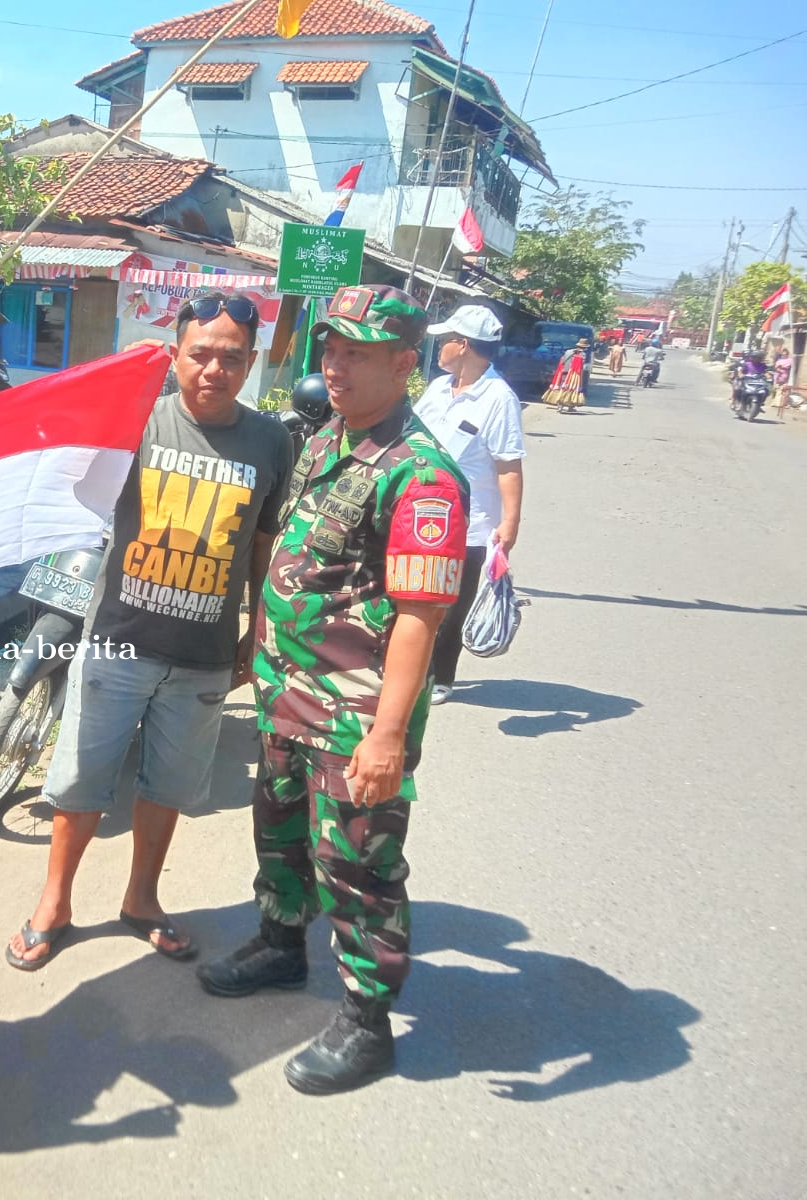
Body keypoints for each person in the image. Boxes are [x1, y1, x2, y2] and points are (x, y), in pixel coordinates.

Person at [195, 284, 469, 1095]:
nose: (336, 367)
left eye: (357, 353)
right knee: (280, 834)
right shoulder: (324, 441)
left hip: (353, 714)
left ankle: (368, 1021)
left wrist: (387, 737)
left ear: (403, 364)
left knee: (358, 866)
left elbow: (420, 617)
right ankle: (281, 945)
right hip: (288, 693)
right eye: (330, 350)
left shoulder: (423, 476)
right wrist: (260, 637)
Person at [4, 291, 292, 970]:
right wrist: (116, 377)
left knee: (168, 787)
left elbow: (261, 545)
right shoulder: (134, 421)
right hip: (116, 642)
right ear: (174, 356)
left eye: (230, 357)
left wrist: (258, 627)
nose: (214, 369)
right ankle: (55, 903)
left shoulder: (271, 441)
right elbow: (58, 441)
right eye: (200, 354)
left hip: (203, 656)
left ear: (250, 364)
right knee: (78, 784)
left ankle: (142, 900)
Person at [413, 305, 525, 704]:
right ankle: (411, 668)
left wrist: (509, 523)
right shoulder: (437, 389)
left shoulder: (498, 399)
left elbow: (508, 467)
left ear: (463, 346)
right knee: (413, 595)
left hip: (470, 523)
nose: (440, 348)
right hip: (418, 512)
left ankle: (440, 677)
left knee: (450, 604)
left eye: (446, 340)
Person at [543, 337, 589, 410]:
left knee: (562, 387)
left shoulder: (568, 351)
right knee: (571, 388)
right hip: (574, 374)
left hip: (563, 372)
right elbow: (580, 366)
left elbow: (562, 360)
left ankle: (560, 405)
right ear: (585, 347)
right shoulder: (582, 354)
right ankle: (570, 406)